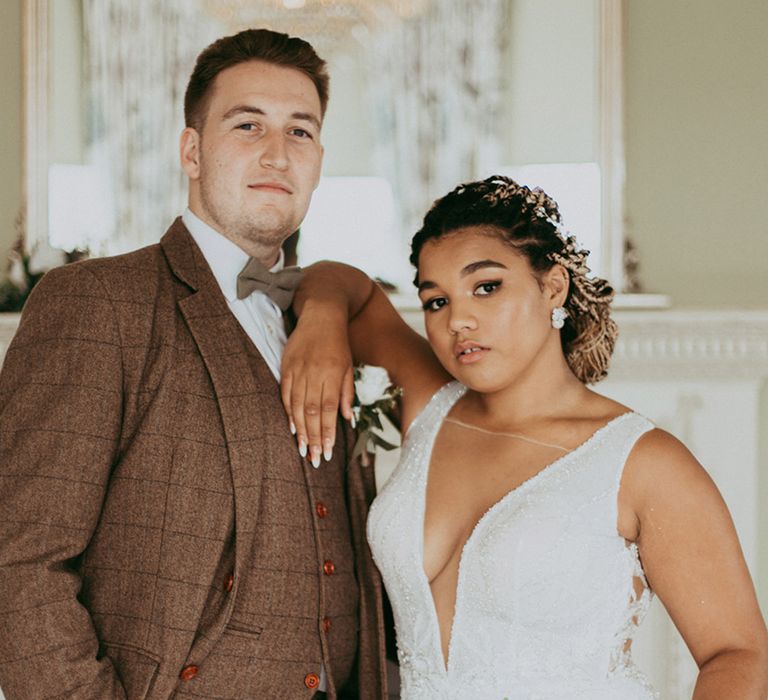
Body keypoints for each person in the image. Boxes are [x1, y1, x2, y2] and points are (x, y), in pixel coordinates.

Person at [0, 29, 388, 700]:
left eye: (301, 132)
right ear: (192, 150)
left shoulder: (326, 315)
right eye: (247, 125)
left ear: (320, 158)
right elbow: (19, 563)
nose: (277, 152)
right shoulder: (98, 303)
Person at [281, 175, 768, 699]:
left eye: (486, 287)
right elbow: (337, 281)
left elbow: (738, 653)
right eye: (436, 301)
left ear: (553, 286)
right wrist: (322, 322)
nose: (458, 321)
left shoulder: (641, 461)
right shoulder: (431, 407)